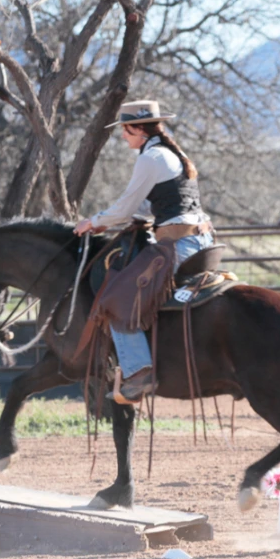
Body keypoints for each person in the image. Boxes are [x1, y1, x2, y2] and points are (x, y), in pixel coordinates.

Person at [74, 100, 214, 403]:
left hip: (179, 246)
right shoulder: (172, 154)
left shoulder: (150, 158)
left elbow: (126, 206)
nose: (123, 137)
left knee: (116, 299)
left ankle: (139, 373)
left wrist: (93, 222)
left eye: (125, 131)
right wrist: (111, 221)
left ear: (137, 128)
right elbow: (147, 206)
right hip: (201, 241)